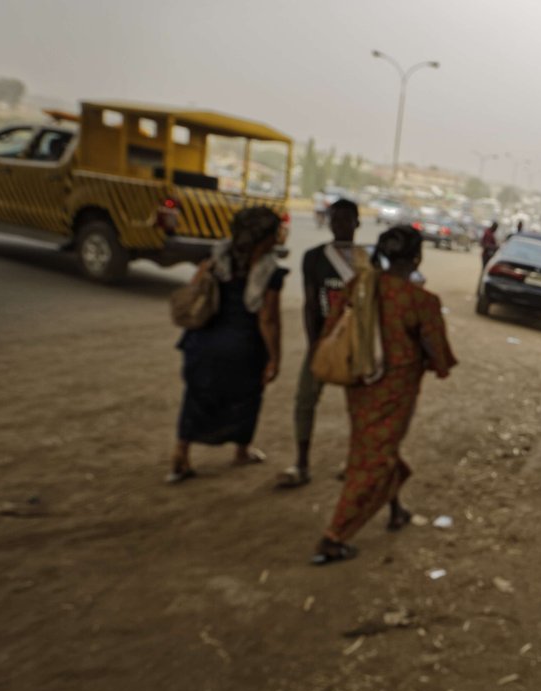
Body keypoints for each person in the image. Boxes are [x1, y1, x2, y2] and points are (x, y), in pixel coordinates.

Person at [313, 226, 456, 564]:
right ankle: (334, 536)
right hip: (395, 391)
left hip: (359, 386)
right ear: (417, 256)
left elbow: (331, 326)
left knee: (371, 446)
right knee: (375, 457)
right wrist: (437, 364)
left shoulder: (359, 287)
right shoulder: (421, 301)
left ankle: (395, 510)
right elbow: (439, 354)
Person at [167, 207, 287, 483]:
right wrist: (274, 358)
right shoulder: (269, 271)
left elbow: (195, 289)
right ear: (264, 237)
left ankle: (181, 453)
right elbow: (268, 319)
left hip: (203, 341)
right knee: (245, 400)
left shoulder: (215, 258)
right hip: (243, 348)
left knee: (197, 397)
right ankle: (241, 451)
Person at [277, 199, 362, 488]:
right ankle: (301, 462)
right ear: (328, 222)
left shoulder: (367, 259)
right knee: (305, 399)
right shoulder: (314, 258)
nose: (340, 225)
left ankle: (353, 460)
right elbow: (310, 303)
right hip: (324, 339)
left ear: (357, 222)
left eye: (346, 219)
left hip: (356, 342)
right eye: (336, 219)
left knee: (359, 405)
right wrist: (314, 342)